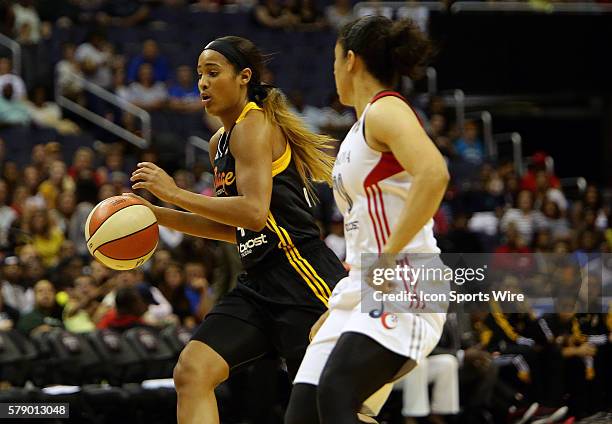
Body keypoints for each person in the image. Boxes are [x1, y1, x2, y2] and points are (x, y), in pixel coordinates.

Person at [127, 35, 347, 424]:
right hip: (258, 282)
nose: (202, 84)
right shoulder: (219, 142)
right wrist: (154, 213)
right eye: (199, 75)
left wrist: (175, 194)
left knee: (325, 410)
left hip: (302, 275)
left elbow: (253, 213)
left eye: (213, 73)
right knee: (193, 372)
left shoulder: (254, 125)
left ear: (244, 77)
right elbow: (234, 227)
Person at [285, 16, 450, 424]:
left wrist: (388, 258)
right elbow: (365, 231)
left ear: (352, 61)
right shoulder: (357, 132)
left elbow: (435, 173)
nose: (334, 71)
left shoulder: (386, 110)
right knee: (303, 415)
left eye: (335, 61)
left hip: (406, 276)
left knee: (337, 391)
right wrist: (344, 302)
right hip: (363, 286)